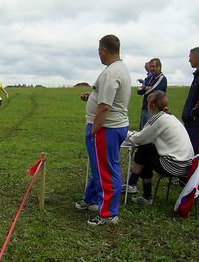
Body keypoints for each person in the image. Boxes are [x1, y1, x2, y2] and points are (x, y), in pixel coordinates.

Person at [75, 34, 131, 226]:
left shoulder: (111, 73)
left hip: (106, 129)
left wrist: (95, 130)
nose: (98, 54)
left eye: (99, 50)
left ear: (104, 51)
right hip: (111, 127)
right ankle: (92, 199)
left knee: (107, 170)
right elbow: (103, 96)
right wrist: (91, 96)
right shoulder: (116, 69)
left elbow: (105, 106)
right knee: (100, 166)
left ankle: (108, 213)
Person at [127, 91, 194, 204]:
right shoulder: (170, 117)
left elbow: (138, 139)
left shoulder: (158, 119)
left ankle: (136, 188)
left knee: (144, 149)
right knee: (147, 150)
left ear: (152, 105)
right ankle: (132, 185)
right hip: (187, 165)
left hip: (175, 166)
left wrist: (125, 133)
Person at [137, 58, 167, 129]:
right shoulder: (149, 78)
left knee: (150, 131)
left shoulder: (162, 78)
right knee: (142, 130)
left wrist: (144, 88)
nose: (151, 69)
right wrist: (146, 88)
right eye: (150, 67)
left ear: (159, 67)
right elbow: (139, 92)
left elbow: (153, 90)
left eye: (153, 66)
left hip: (154, 111)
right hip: (145, 107)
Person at [182, 47, 199, 154]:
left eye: (190, 57)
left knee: (194, 154)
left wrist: (193, 113)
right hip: (190, 124)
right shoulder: (196, 75)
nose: (189, 60)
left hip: (195, 125)